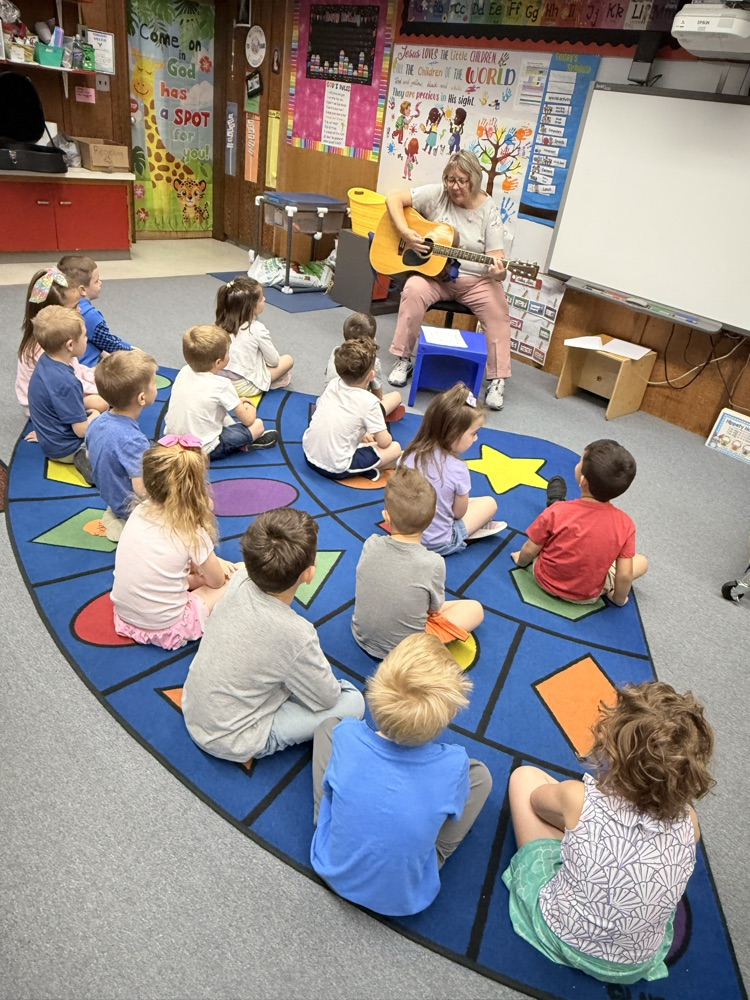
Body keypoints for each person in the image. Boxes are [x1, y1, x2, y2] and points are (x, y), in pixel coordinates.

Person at [503, 681, 714, 984]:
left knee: (525, 778)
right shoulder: (690, 822)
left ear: (612, 750)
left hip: (562, 934)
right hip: (635, 962)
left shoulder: (579, 798)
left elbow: (538, 804)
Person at [310, 632, 492, 917]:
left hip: (332, 868)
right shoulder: (454, 763)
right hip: (406, 896)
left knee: (327, 728)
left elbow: (337, 739)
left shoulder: (347, 735)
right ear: (450, 714)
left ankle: (330, 821)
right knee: (481, 776)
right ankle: (434, 852)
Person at [182, 508, 365, 762]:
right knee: (353, 702)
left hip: (193, 706)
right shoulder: (298, 634)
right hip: (233, 738)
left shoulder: (240, 578)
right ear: (309, 574)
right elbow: (328, 699)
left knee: (285, 669)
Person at [385, 149, 511, 411]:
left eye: (461, 181)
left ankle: (497, 378)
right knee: (412, 290)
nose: (454, 187)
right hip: (435, 276)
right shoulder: (437, 194)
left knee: (497, 307)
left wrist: (499, 272)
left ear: (474, 180)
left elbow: (497, 257)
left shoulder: (489, 211)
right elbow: (394, 199)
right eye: (450, 180)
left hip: (476, 280)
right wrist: (406, 232)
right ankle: (404, 358)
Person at [111, 437, 236, 649]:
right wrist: (216, 571)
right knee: (237, 575)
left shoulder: (140, 510)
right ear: (196, 489)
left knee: (188, 571)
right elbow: (215, 582)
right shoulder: (191, 530)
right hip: (168, 627)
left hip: (124, 617)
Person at [352, 467, 484, 659]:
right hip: (406, 651)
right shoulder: (433, 563)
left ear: (386, 517)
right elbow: (433, 610)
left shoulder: (370, 543)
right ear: (431, 520)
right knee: (475, 609)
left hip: (361, 635)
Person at [511, 439, 648, 605]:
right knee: (641, 562)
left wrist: (521, 561)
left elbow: (529, 548)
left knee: (550, 537)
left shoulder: (558, 511)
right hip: (586, 596)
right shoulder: (626, 524)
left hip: (544, 580)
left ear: (583, 480)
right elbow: (625, 574)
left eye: (579, 461)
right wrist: (618, 599)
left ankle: (556, 501)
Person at [401, 382, 504, 555]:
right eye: (473, 433)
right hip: (436, 543)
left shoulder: (408, 455)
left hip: (403, 532)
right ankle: (468, 534)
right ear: (453, 433)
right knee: (489, 503)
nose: (476, 438)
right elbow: (458, 513)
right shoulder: (458, 469)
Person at [164, 324, 278, 460]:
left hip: (173, 442)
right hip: (204, 450)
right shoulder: (222, 385)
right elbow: (248, 420)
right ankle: (241, 444)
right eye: (228, 352)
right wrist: (250, 407)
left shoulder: (184, 371)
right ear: (218, 362)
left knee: (219, 411)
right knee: (257, 425)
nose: (230, 354)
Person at [16, 267, 107, 428]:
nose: (79, 310)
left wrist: (96, 378)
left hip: (59, 391)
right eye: (74, 307)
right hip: (45, 407)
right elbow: (64, 387)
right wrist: (99, 388)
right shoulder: (44, 348)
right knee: (102, 402)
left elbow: (74, 370)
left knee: (106, 384)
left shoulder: (52, 340)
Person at [303, 338, 401, 483]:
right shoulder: (370, 402)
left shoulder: (333, 384)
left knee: (360, 438)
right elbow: (385, 443)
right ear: (371, 375)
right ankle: (368, 469)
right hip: (335, 467)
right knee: (395, 448)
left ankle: (370, 466)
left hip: (309, 454)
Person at [85, 351, 159, 542]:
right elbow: (142, 490)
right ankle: (130, 525)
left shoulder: (96, 422)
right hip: (130, 507)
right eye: (154, 382)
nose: (156, 385)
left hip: (110, 496)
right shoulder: (134, 441)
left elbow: (88, 455)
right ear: (142, 398)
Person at [26, 306, 101, 474]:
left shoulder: (45, 361)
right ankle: (84, 457)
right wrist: (95, 414)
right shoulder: (66, 382)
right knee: (107, 424)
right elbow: (81, 430)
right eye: (84, 335)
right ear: (70, 345)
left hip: (50, 440)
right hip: (66, 448)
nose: (87, 339)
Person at [214, 276, 294, 396]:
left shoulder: (218, 325)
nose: (264, 299)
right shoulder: (257, 329)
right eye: (261, 298)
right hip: (243, 386)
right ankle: (268, 383)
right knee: (288, 360)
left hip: (217, 381)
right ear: (250, 307)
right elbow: (274, 361)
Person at [57, 255, 135, 367]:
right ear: (82, 289)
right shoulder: (89, 315)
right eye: (96, 281)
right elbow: (110, 343)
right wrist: (132, 351)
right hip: (90, 366)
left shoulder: (62, 305)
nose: (100, 283)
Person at [323, 311, 402, 417]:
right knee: (396, 396)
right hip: (356, 413)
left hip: (327, 405)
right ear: (373, 340)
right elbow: (378, 397)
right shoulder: (373, 363)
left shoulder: (336, 352)